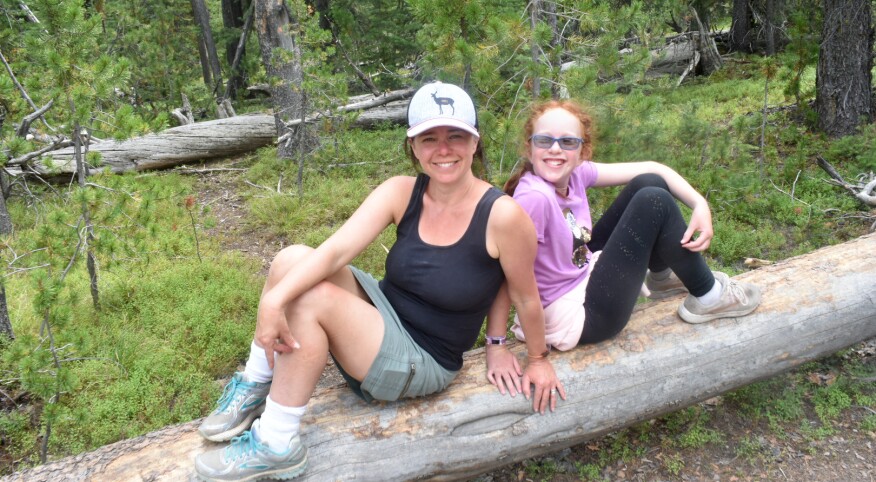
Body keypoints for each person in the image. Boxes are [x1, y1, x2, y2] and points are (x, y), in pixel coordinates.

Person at [193, 82, 564, 482]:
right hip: (385, 317)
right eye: (429, 138)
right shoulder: (402, 192)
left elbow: (523, 294)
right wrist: (271, 302)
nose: (443, 149)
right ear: (413, 146)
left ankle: (277, 443)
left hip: (425, 356)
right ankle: (255, 385)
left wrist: (535, 358)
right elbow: (334, 252)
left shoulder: (502, 216)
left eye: (456, 136)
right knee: (291, 260)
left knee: (309, 300)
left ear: (475, 142)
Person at [484, 99, 761, 396]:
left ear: (582, 151)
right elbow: (505, 276)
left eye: (567, 141)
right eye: (544, 140)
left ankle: (662, 276)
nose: (555, 149)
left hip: (582, 274)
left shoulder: (575, 175)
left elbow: (653, 168)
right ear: (529, 148)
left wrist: (699, 204)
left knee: (648, 182)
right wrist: (500, 346)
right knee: (653, 202)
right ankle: (711, 297)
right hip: (578, 316)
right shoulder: (534, 199)